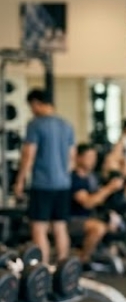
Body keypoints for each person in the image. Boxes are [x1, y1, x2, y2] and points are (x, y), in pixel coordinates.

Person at [13, 89, 75, 264]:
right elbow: (72, 158)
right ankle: (63, 271)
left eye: (31, 106)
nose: (32, 110)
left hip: (42, 184)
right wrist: (63, 176)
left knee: (39, 229)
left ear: (36, 104)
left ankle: (44, 269)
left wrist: (20, 181)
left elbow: (28, 155)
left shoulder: (36, 124)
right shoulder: (66, 125)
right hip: (63, 184)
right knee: (60, 227)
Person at [69, 143, 125, 265]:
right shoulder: (74, 179)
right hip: (74, 219)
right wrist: (109, 188)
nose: (92, 161)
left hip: (92, 216)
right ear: (79, 158)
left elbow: (100, 200)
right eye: (89, 157)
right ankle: (83, 261)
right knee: (98, 228)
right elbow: (88, 203)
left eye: (94, 157)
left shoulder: (92, 178)